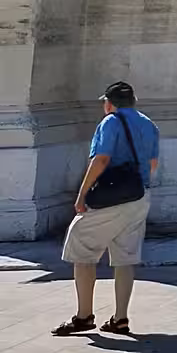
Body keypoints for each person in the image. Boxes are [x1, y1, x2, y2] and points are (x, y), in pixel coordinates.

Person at [54, 81, 160, 337]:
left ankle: (84, 316)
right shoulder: (149, 124)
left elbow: (101, 159)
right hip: (139, 194)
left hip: (110, 196)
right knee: (125, 256)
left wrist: (82, 195)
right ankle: (120, 318)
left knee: (81, 247)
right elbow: (153, 163)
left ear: (109, 103)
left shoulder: (110, 122)